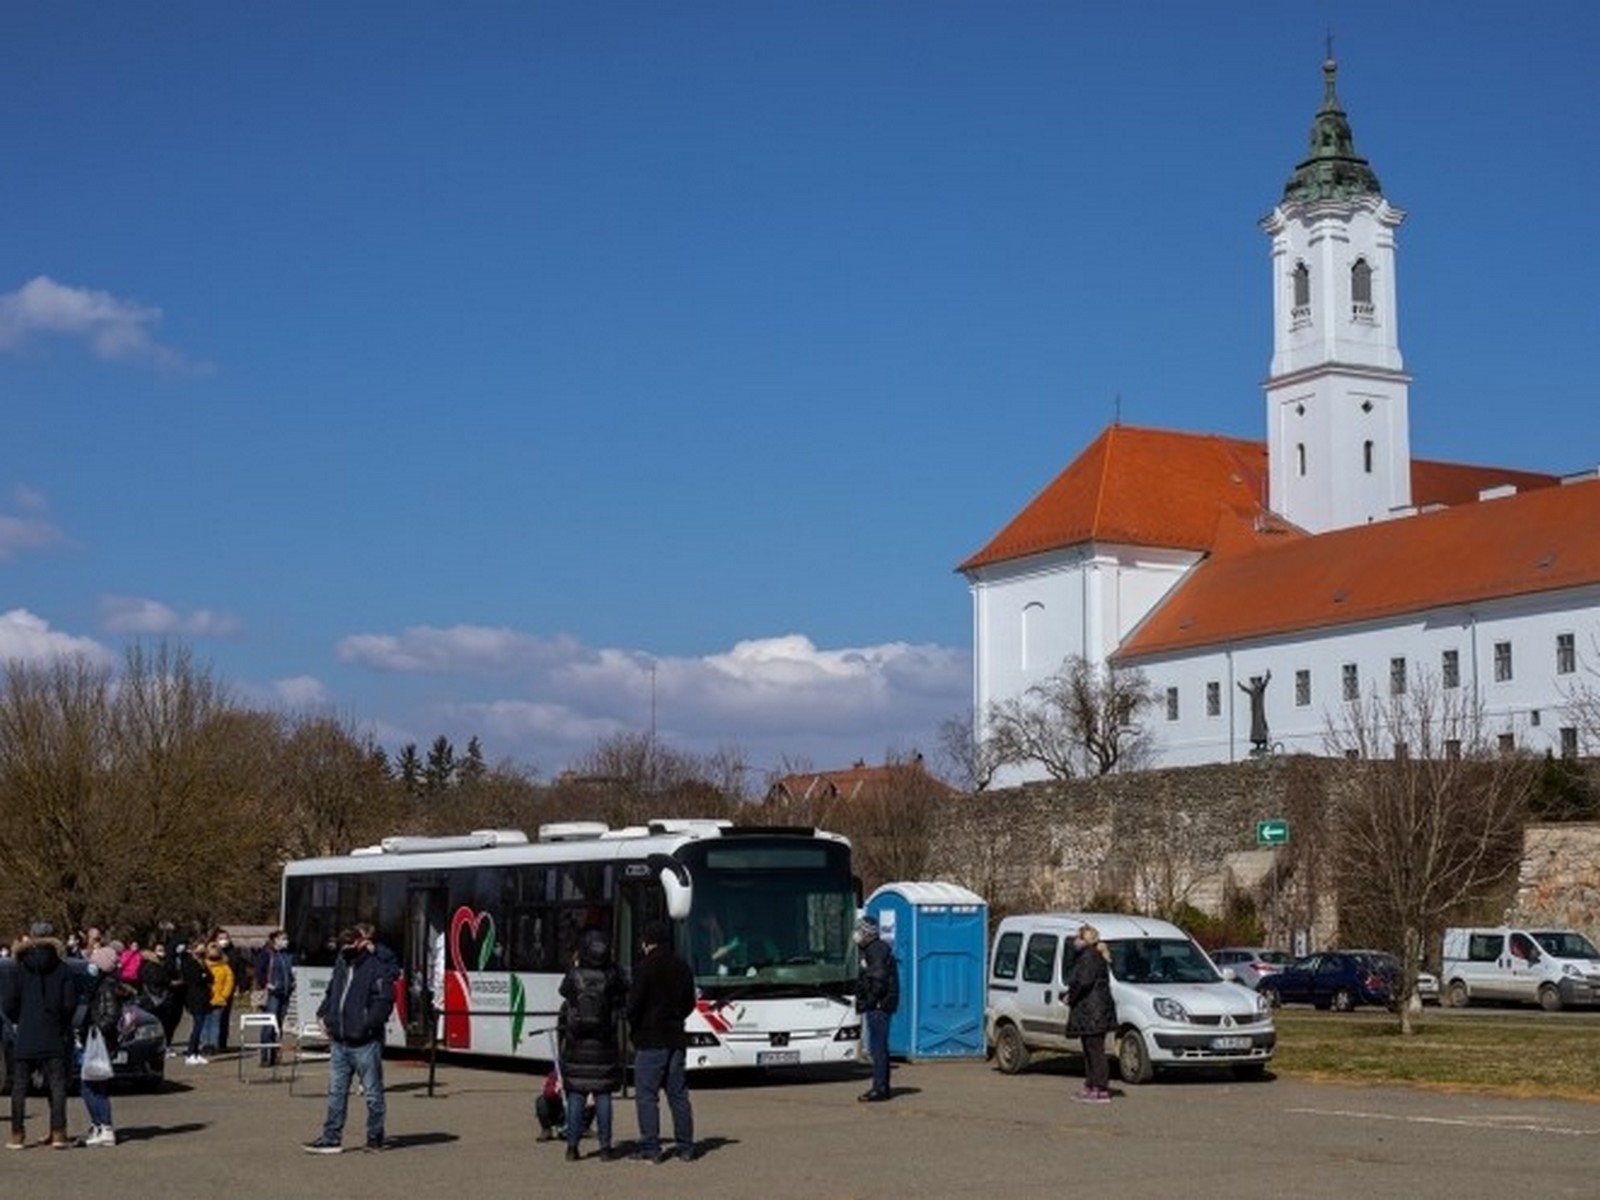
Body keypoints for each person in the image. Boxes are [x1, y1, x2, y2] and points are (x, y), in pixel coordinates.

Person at [304, 925, 396, 1154]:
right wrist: (323, 1014)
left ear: (360, 943)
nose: (345, 951)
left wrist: (367, 1024)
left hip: (365, 1041)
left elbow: (384, 1000)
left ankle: (375, 1137)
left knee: (373, 1093)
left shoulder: (377, 968)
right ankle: (331, 1137)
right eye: (342, 947)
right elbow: (332, 991)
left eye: (349, 946)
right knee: (336, 1092)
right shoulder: (341, 964)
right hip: (340, 1040)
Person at [625, 919, 696, 1163]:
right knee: (678, 1095)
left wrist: (633, 1023)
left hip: (650, 1038)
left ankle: (651, 1148)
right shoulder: (682, 965)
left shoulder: (644, 967)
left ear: (646, 942)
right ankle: (686, 1147)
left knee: (647, 1095)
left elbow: (634, 1005)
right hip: (676, 1037)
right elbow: (690, 1003)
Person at [4, 922, 77, 1150]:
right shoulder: (62, 967)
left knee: (19, 1086)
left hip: (26, 1031)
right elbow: (69, 1004)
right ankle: (58, 1133)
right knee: (57, 1085)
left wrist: (20, 1019)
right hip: (53, 1031)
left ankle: (17, 1134)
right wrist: (61, 1021)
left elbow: (10, 1002)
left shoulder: (19, 966)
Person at [557, 929, 627, 1162]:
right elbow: (624, 990)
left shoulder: (575, 974)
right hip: (604, 1041)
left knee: (576, 1094)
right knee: (603, 1095)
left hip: (577, 1042)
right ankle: (605, 1147)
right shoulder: (611, 974)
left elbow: (563, 992)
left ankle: (572, 1146)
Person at [77, 946, 124, 1147]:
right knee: (94, 1084)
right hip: (98, 1040)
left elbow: (111, 1015)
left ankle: (103, 1125)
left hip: (99, 1042)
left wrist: (96, 1030)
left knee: (91, 1085)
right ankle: (99, 1125)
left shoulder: (106, 987)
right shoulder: (103, 985)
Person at [1064, 924, 1117, 1104]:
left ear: (1085, 940)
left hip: (1092, 1010)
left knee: (1095, 1051)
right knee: (1090, 1049)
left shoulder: (1089, 957)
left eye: (1077, 937)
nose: (1074, 941)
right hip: (1094, 1009)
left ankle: (1100, 1088)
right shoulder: (1093, 956)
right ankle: (1092, 1084)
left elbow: (1084, 982)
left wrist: (1071, 996)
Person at [853, 916, 899, 1103]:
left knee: (877, 1048)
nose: (855, 934)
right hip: (881, 1004)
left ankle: (879, 1088)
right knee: (879, 1047)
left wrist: (869, 1001)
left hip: (880, 1006)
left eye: (859, 930)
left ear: (866, 932)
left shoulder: (876, 950)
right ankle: (882, 1086)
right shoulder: (872, 949)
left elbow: (878, 981)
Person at [258, 929, 295, 1067]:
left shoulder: (286, 955)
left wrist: (292, 983)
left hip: (285, 993)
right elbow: (259, 971)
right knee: (268, 1025)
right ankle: (264, 1056)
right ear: (275, 940)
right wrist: (267, 984)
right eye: (283, 938)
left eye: (286, 938)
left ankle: (274, 1055)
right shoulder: (267, 953)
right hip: (273, 994)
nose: (286, 941)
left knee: (278, 1026)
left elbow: (289, 971)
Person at [179, 942, 212, 1064]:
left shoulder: (203, 963)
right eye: (199, 948)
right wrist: (203, 977)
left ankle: (196, 1053)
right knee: (197, 1026)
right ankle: (190, 1053)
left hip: (203, 997)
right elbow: (195, 979)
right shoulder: (189, 963)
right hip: (194, 997)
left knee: (200, 1025)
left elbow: (210, 977)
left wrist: (205, 976)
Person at [201, 941, 234, 1056]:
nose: (213, 952)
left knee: (215, 1024)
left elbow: (229, 983)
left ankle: (213, 1046)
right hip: (204, 1000)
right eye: (211, 949)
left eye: (216, 949)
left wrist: (224, 995)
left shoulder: (225, 967)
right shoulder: (203, 966)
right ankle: (204, 1044)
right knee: (205, 1024)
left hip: (219, 1000)